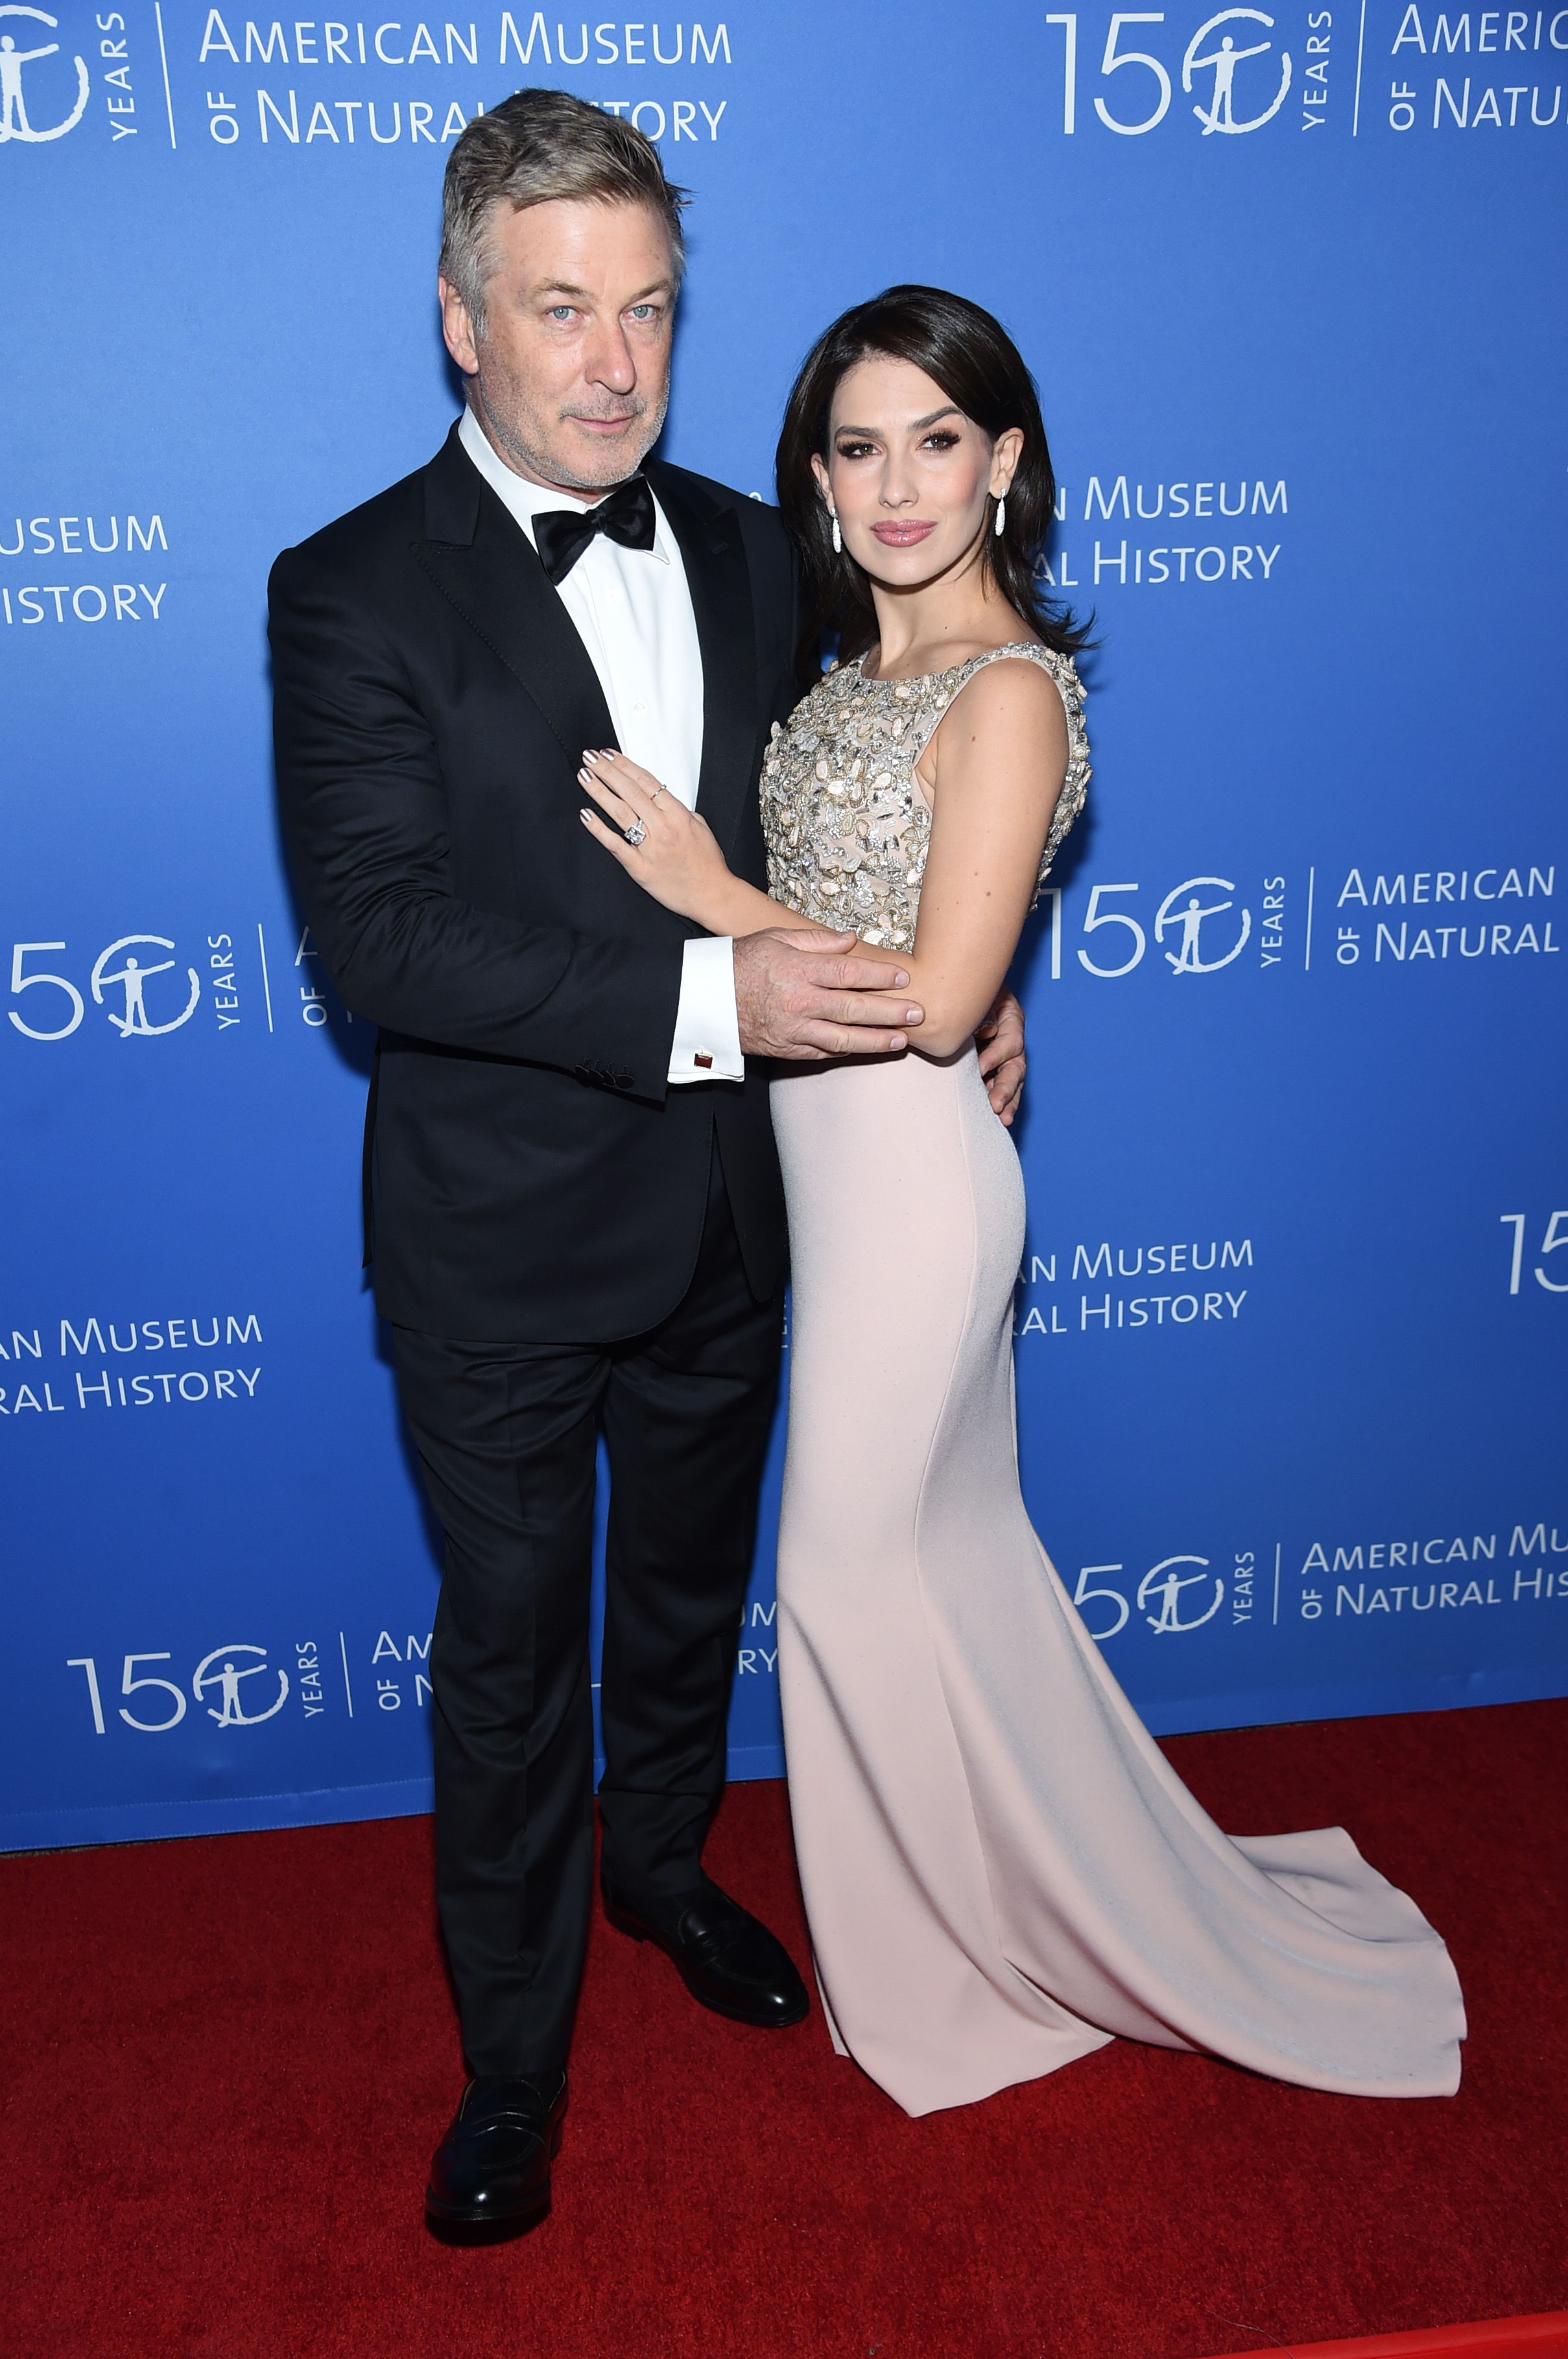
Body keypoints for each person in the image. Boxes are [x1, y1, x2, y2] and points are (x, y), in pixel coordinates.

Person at [580, 283, 1468, 2118]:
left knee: (834, 1567)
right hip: (824, 1168)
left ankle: (959, 1971)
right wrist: (977, 993)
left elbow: (915, 989)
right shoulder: (850, 683)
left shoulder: (1003, 693)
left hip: (911, 1183)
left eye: (935, 439)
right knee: (953, 1565)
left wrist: (705, 889)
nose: (896, 484)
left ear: (1004, 464)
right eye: (856, 444)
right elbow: (945, 961)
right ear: (817, 479)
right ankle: (1039, 1904)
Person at [268, 97, 1028, 2231]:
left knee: (690, 1593)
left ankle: (672, 1870)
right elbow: (379, 938)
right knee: (513, 1662)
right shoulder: (343, 590)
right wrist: (726, 1009)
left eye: (652, 312)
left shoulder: (751, 544)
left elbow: (849, 825)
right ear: (460, 323)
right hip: (498, 1247)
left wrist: (950, 975)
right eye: (561, 310)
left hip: (741, 1215)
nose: (613, 362)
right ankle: (511, 2066)